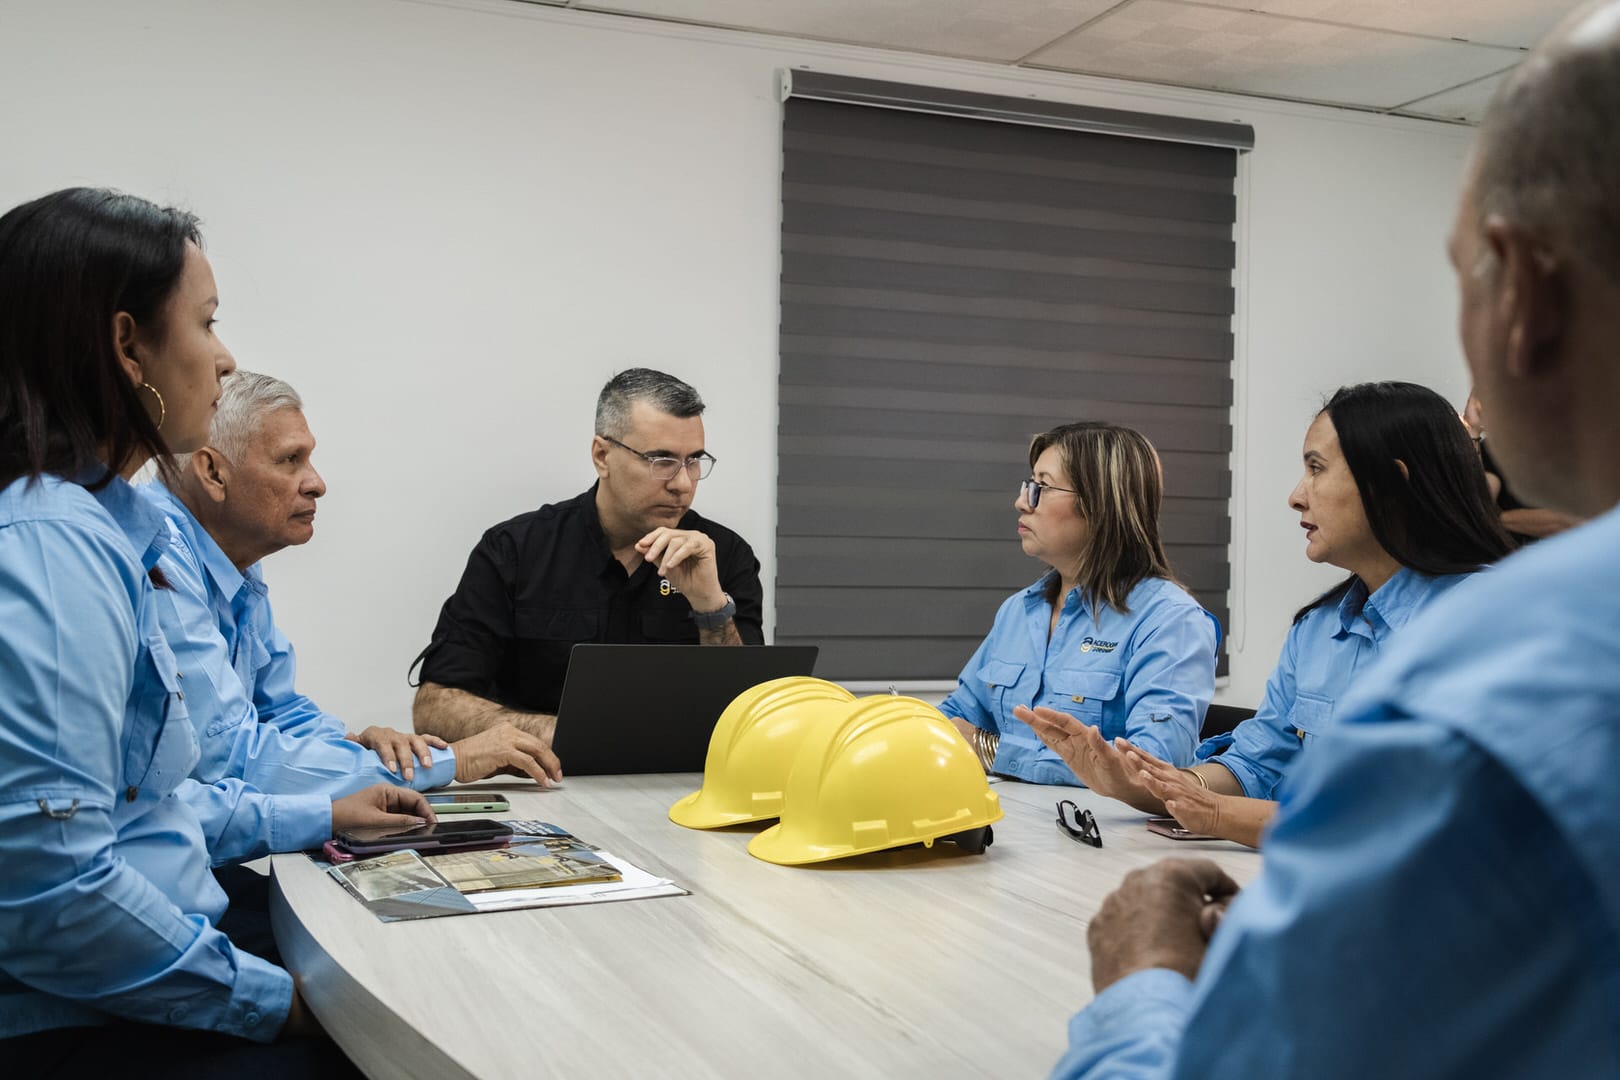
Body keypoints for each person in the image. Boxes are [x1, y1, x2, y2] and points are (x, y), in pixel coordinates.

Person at [1051, 4, 1620, 1076]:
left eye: (1464, 274)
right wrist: (1168, 789)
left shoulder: (1500, 672)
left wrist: (1140, 977)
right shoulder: (1366, 632)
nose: (1293, 496)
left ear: (1527, 291)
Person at [0, 188, 432, 1074]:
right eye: (206, 323)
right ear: (128, 347)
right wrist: (277, 1006)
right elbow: (54, 887)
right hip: (81, 1013)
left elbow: (143, 806)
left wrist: (321, 810)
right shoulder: (54, 543)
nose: (225, 357)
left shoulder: (110, 530)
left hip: (140, 960)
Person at [1023, 382, 1511, 847]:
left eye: (1317, 469)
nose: (1296, 496)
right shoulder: (1319, 629)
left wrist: (1218, 815)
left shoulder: (1490, 620)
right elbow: (1255, 766)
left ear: (1392, 484)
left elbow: (1425, 815)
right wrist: (1144, 785)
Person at [143, 369, 564, 797]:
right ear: (214, 472)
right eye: (290, 459)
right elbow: (228, 753)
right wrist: (453, 760)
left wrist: (360, 746)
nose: (317, 484)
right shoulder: (160, 553)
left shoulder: (236, 559)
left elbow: (279, 713)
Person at [412, 368, 764, 752]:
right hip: (546, 776)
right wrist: (567, 734)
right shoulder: (516, 550)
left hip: (683, 780)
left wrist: (711, 608)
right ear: (602, 456)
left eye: (693, 460)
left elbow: (753, 718)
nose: (682, 483)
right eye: (661, 460)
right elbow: (435, 707)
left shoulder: (724, 555)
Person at [939, 422, 1217, 786]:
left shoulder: (1171, 621)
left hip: (1101, 824)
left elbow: (1154, 766)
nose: (1022, 502)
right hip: (1010, 814)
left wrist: (992, 750)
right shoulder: (1018, 611)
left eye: (1042, 487)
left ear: (1100, 504)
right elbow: (958, 716)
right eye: (1028, 485)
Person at [1463, 389, 1580, 540]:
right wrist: (1472, 430)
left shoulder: (1582, 450)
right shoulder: (1496, 449)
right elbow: (1475, 506)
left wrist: (1495, 518)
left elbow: (1570, 522)